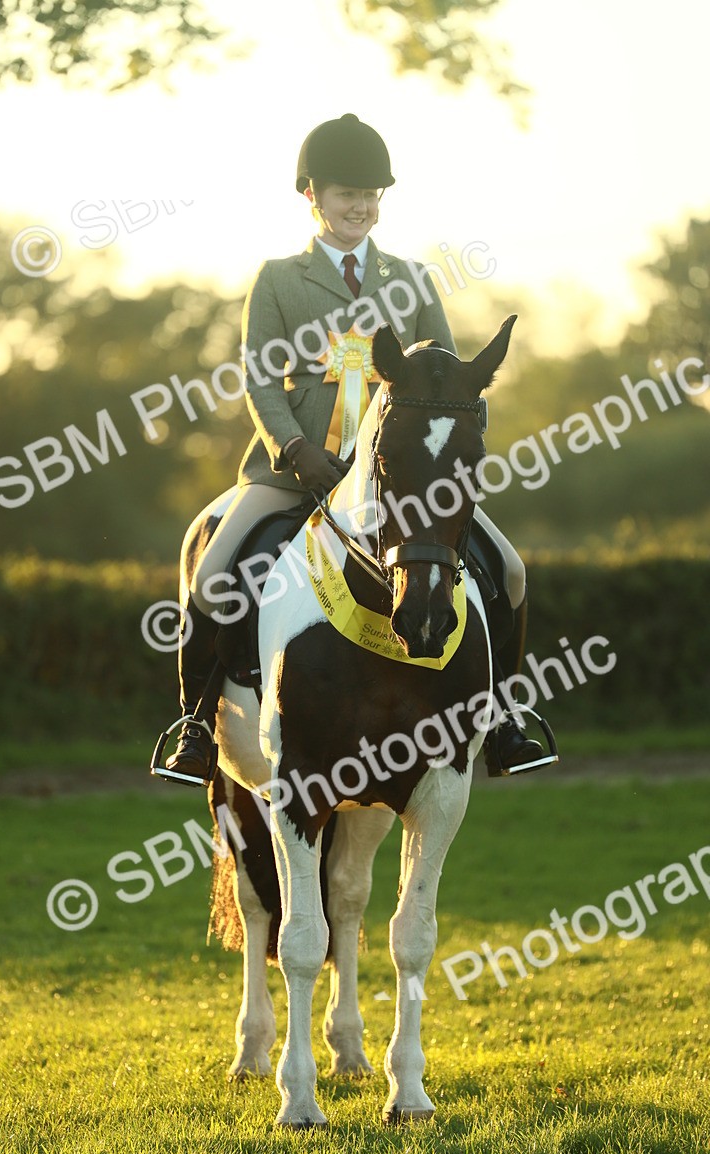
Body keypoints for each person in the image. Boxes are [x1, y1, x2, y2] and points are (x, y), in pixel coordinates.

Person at [162, 113, 552, 786]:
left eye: (372, 194)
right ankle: (195, 723)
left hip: (397, 478)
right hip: (294, 470)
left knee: (510, 570)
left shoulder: (413, 278)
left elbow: (445, 371)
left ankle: (504, 718)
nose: (361, 205)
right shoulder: (279, 278)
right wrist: (294, 449)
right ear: (311, 194)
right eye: (347, 192)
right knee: (213, 569)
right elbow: (259, 376)